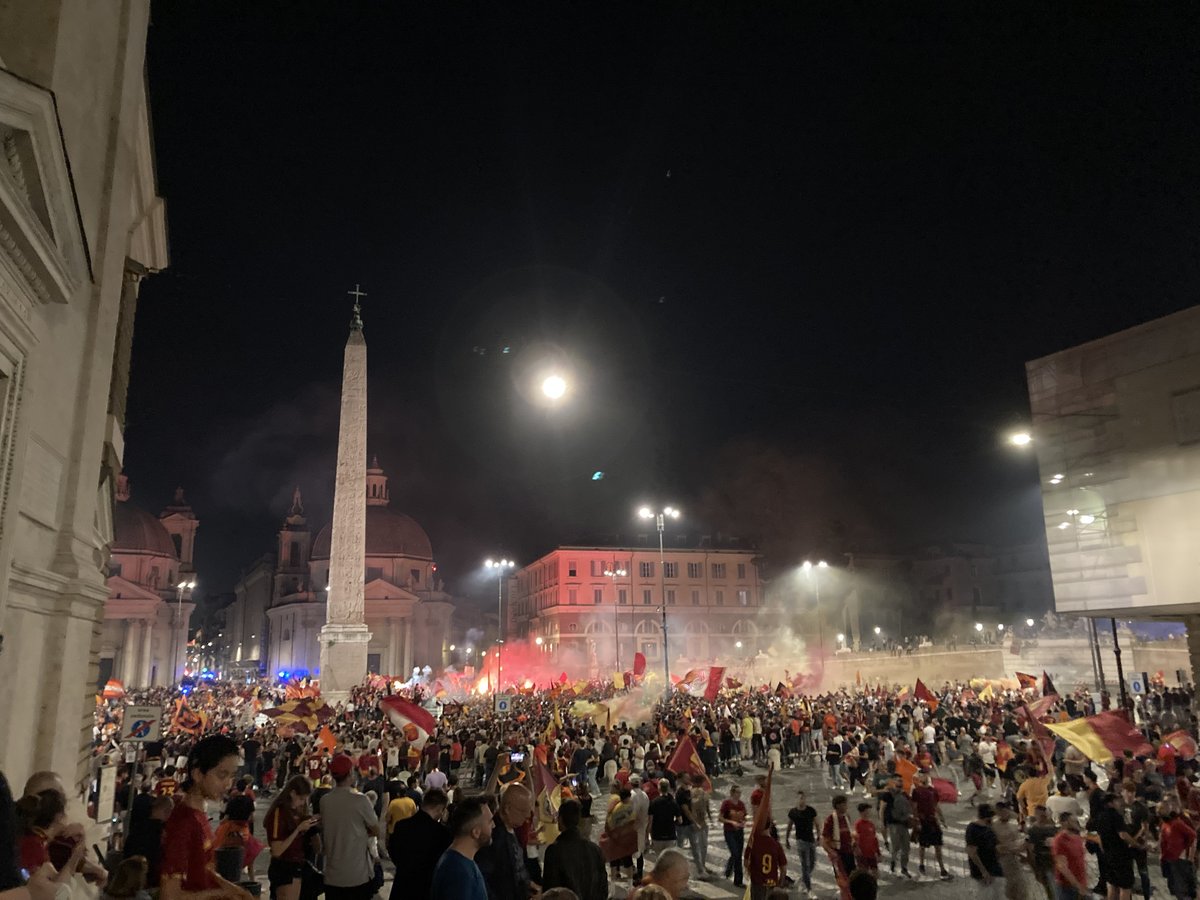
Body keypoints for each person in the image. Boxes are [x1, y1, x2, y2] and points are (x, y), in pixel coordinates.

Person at [160, 734, 254, 900]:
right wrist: (221, 893)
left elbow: (203, 869)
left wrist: (233, 889)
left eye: (232, 776)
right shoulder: (183, 822)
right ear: (197, 774)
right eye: (221, 775)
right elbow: (170, 895)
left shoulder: (199, 812)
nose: (228, 784)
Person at [320, 754, 380, 900]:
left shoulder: (325, 801)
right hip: (357, 875)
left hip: (332, 875)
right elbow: (376, 829)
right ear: (350, 773)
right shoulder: (361, 801)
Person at [386, 788, 449, 900]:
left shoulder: (401, 825)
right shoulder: (442, 833)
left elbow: (392, 851)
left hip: (401, 886)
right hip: (425, 889)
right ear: (440, 809)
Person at [476, 783, 537, 900]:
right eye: (524, 810)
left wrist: (529, 884)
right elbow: (484, 878)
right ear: (508, 809)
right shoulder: (492, 837)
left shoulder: (514, 830)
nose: (528, 816)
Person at [265, 776, 319, 900]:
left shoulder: (295, 811)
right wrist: (298, 830)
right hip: (285, 868)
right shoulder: (279, 813)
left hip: (297, 864)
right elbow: (277, 851)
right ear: (292, 793)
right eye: (301, 799)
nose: (302, 803)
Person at [542, 798, 607, 900]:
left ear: (560, 819)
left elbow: (551, 891)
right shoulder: (595, 850)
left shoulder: (554, 851)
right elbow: (603, 888)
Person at [430, 796, 494, 900]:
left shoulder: (460, 863)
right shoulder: (458, 873)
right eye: (490, 822)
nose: (494, 825)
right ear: (476, 832)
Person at [1094, 793, 1136, 900]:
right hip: (1121, 855)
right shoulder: (1116, 816)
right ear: (1110, 803)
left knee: (1111, 884)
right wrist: (1136, 844)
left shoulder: (1100, 816)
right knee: (1125, 887)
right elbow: (1123, 835)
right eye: (1117, 800)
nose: (1119, 803)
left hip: (1108, 854)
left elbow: (1099, 837)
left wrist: (1104, 851)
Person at [123, 795, 172, 887]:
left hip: (129, 879)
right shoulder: (162, 833)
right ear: (167, 812)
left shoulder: (136, 827)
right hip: (150, 882)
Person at [911, 773, 951, 880]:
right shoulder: (916, 791)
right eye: (922, 777)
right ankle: (921, 864)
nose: (924, 778)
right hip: (923, 821)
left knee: (938, 845)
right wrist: (916, 821)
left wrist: (942, 819)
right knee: (922, 845)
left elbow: (936, 805)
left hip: (932, 820)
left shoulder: (933, 791)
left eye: (926, 777)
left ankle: (942, 869)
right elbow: (914, 807)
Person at [965, 804, 1004, 899]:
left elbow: (997, 846)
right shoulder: (973, 829)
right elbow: (972, 852)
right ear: (987, 817)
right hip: (982, 872)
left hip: (994, 868)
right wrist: (984, 872)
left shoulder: (990, 828)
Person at [1158, 806, 1197, 900]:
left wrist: (1188, 854)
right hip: (1168, 859)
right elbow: (1163, 842)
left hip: (1179, 860)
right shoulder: (1165, 825)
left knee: (1183, 890)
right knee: (1175, 889)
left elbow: (1193, 835)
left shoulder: (1177, 823)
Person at [785, 789, 818, 898]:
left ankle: (803, 879)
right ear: (797, 800)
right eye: (800, 798)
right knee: (805, 865)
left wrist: (818, 835)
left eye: (803, 798)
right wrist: (787, 839)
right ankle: (809, 889)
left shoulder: (811, 811)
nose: (802, 800)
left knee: (812, 863)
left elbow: (816, 823)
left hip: (811, 840)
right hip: (801, 841)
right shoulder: (793, 812)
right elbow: (790, 826)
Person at [746, 814, 787, 900]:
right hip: (771, 882)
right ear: (770, 826)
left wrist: (750, 873)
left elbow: (746, 862)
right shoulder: (776, 845)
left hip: (757, 882)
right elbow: (783, 867)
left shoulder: (753, 843)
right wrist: (780, 883)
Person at [1051, 812, 1088, 900]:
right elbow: (1062, 866)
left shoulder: (1077, 838)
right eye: (1073, 821)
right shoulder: (1059, 840)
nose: (1076, 822)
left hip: (1081, 883)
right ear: (1064, 823)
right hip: (1067, 887)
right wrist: (1077, 885)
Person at [1025, 805, 1059, 900]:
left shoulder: (1034, 830)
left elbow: (1030, 850)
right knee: (1051, 887)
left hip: (1050, 862)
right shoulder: (1035, 830)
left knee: (1051, 887)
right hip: (1045, 862)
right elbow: (1030, 850)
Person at [821, 794, 855, 886]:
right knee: (842, 877)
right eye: (844, 804)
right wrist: (831, 852)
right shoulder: (830, 820)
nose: (846, 806)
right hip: (838, 853)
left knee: (852, 875)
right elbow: (824, 840)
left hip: (849, 851)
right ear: (838, 806)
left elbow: (850, 832)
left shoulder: (846, 817)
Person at [720, 784, 747, 887]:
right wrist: (731, 822)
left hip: (739, 831)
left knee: (738, 855)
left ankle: (738, 880)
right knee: (735, 853)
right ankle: (731, 871)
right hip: (729, 831)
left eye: (740, 793)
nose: (739, 795)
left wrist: (743, 821)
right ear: (732, 793)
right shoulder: (726, 804)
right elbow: (720, 818)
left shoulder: (741, 804)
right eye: (737, 792)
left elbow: (744, 816)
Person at [647, 779, 680, 857]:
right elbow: (680, 820)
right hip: (670, 835)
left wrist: (647, 836)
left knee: (659, 859)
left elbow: (650, 822)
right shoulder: (673, 803)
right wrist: (672, 823)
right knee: (669, 860)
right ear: (668, 788)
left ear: (659, 788)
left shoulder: (654, 802)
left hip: (657, 836)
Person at [688, 775, 711, 877]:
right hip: (698, 821)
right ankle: (700, 867)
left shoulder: (693, 792)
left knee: (700, 845)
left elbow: (707, 806)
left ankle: (701, 865)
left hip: (698, 822)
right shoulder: (698, 793)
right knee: (701, 845)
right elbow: (705, 806)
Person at [854, 803, 880, 878]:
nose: (868, 814)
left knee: (875, 873)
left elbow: (874, 839)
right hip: (862, 854)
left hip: (871, 853)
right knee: (863, 874)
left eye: (868, 811)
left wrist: (878, 852)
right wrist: (857, 850)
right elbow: (856, 838)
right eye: (866, 812)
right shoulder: (858, 824)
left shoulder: (871, 824)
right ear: (861, 813)